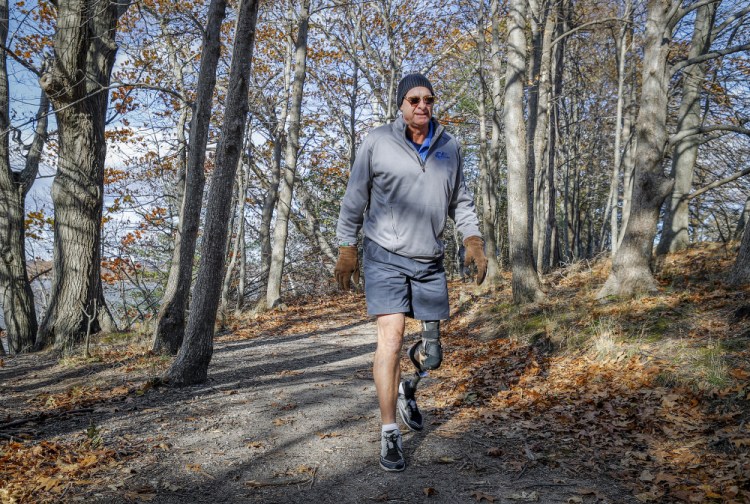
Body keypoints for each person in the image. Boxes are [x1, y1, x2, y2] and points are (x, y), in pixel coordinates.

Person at [334, 73, 487, 472]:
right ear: (401, 104)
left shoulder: (449, 147)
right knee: (392, 337)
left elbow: (461, 201)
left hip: (428, 259)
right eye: (414, 99)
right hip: (384, 255)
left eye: (428, 100)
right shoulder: (378, 142)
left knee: (433, 355)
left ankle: (409, 388)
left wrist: (473, 240)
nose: (422, 106)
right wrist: (347, 248)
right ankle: (389, 432)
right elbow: (355, 198)